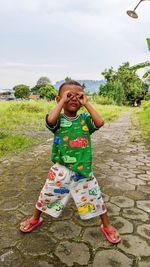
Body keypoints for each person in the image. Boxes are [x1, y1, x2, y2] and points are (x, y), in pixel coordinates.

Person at [20, 80, 121, 244]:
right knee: (46, 195)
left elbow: (100, 122)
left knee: (95, 198)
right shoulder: (58, 120)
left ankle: (107, 226)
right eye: (68, 95)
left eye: (78, 95)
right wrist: (62, 101)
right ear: (58, 99)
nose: (73, 98)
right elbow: (51, 121)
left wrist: (86, 103)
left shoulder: (84, 120)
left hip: (83, 171)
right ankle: (35, 219)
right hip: (60, 170)